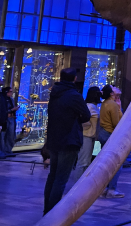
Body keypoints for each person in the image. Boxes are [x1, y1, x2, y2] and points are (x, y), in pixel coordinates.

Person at [43, 68, 90, 214]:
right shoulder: (74, 95)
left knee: (53, 175)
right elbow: (86, 115)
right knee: (61, 178)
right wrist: (77, 118)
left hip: (54, 139)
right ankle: (52, 213)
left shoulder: (55, 93)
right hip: (69, 139)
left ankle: (47, 209)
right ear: (74, 79)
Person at [97, 84, 125, 198]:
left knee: (105, 162)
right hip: (110, 134)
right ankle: (112, 189)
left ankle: (104, 188)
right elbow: (117, 123)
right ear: (111, 94)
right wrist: (119, 108)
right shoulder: (112, 104)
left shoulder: (104, 103)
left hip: (103, 133)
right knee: (116, 163)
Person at [71, 86, 101, 182]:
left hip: (91, 136)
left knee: (87, 161)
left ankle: (82, 183)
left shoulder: (93, 106)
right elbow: (82, 120)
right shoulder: (89, 106)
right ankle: (77, 185)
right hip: (86, 135)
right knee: (83, 162)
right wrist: (89, 126)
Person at [0, 86, 18, 157]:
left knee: (10, 135)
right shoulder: (2, 99)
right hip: (5, 119)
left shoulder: (11, 99)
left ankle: (8, 150)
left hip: (11, 119)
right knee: (3, 136)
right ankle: (2, 151)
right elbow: (3, 110)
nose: (11, 93)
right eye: (10, 91)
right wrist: (12, 110)